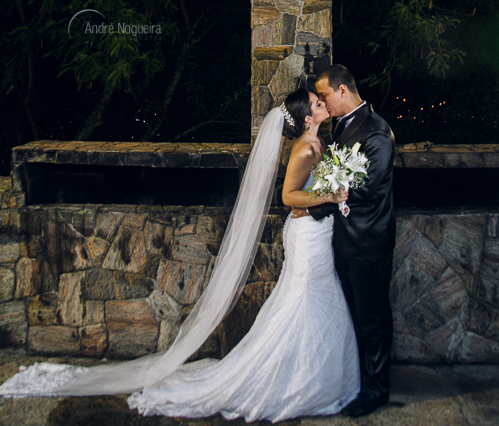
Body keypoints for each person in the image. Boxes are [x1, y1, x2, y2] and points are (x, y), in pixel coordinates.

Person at [0, 90, 360, 421]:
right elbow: (288, 198)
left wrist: (333, 188)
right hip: (308, 235)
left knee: (307, 297)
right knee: (303, 297)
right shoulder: (304, 149)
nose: (322, 104)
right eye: (316, 103)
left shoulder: (318, 142)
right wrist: (329, 197)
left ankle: (307, 373)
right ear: (306, 118)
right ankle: (293, 378)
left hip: (316, 233)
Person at [293, 64, 395, 418]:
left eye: (323, 96)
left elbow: (363, 190)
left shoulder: (377, 133)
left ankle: (376, 391)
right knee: (355, 315)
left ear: (341, 91)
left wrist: (313, 209)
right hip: (345, 242)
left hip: (368, 242)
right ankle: (359, 380)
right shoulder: (342, 126)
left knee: (373, 317)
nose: (321, 102)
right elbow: (334, 178)